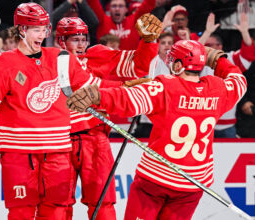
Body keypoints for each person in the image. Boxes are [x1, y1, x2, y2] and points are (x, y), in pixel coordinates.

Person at [0, 3, 121, 220]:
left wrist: (132, 90)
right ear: (22, 30)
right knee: (21, 213)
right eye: (36, 29)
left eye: (44, 29)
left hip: (57, 151)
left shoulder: (62, 59)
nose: (42, 34)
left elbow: (94, 90)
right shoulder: (2, 63)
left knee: (56, 212)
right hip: (19, 152)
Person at [66, 40, 247, 220]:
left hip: (155, 180)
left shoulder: (164, 87)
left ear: (178, 65)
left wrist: (97, 96)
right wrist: (219, 60)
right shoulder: (218, 89)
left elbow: (127, 100)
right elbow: (239, 81)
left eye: (172, 60)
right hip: (193, 184)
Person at [55, 15, 161, 220]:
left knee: (103, 203)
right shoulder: (52, 60)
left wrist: (148, 42)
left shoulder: (97, 55)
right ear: (61, 41)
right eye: (74, 39)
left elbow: (137, 67)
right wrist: (121, 88)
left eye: (83, 39)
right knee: (58, 205)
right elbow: (80, 86)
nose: (81, 44)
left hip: (95, 138)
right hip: (59, 140)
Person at [199, 12, 255, 137]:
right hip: (204, 124)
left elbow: (249, 54)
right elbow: (192, 50)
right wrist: (206, 33)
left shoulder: (231, 58)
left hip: (227, 124)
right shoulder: (199, 61)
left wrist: (245, 32)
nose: (212, 48)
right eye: (208, 45)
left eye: (216, 45)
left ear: (221, 46)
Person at [87, 0, 156, 50]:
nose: (117, 9)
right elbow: (93, 2)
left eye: (121, 6)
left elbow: (148, 4)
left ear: (126, 9)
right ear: (109, 9)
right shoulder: (103, 20)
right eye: (114, 6)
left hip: (128, 65)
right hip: (106, 65)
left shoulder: (135, 21)